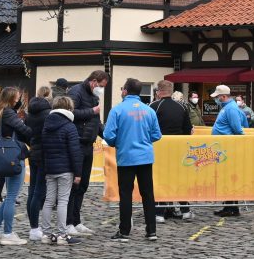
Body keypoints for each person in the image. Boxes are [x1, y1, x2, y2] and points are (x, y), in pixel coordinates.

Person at [104, 78, 162, 242]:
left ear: (125, 91)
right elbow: (157, 135)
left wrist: (119, 143)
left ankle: (124, 232)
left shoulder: (117, 110)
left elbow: (109, 135)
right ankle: (151, 231)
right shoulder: (149, 111)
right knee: (148, 194)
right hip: (145, 157)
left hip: (126, 157)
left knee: (125, 194)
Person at [0, 86, 32, 246]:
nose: (19, 99)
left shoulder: (1, 112)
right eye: (18, 97)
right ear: (12, 98)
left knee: (8, 198)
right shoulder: (8, 113)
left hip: (6, 156)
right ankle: (7, 233)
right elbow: (24, 130)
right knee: (12, 197)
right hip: (15, 156)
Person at [65, 70, 108, 237]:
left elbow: (96, 122)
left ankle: (77, 221)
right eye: (101, 86)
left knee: (83, 186)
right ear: (94, 82)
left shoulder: (93, 96)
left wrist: (109, 137)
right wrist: (92, 111)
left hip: (88, 144)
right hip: (77, 143)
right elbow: (70, 113)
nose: (101, 89)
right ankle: (68, 222)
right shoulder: (76, 91)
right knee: (73, 185)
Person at [40, 95, 83, 245]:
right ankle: (62, 235)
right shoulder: (69, 126)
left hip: (50, 168)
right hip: (65, 169)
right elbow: (75, 151)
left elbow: (44, 148)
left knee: (48, 201)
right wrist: (78, 173)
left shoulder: (46, 125)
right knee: (63, 202)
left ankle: (45, 234)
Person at [151, 80, 192, 221]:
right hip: (179, 149)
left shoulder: (154, 106)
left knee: (161, 180)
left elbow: (148, 128)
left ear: (159, 92)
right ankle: (185, 210)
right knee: (179, 179)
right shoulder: (182, 107)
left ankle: (159, 213)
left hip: (160, 149)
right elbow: (188, 130)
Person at [211, 84, 247, 217]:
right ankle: (229, 206)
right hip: (223, 148)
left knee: (229, 178)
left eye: (218, 97)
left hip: (227, 148)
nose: (216, 99)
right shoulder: (227, 108)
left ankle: (231, 207)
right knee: (226, 178)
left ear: (223, 96)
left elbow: (237, 129)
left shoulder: (230, 109)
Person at [23, 86, 52, 240]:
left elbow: (25, 133)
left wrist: (32, 143)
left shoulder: (29, 115)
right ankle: (35, 229)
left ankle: (33, 225)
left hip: (33, 152)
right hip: (45, 154)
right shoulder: (48, 114)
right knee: (39, 191)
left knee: (32, 189)